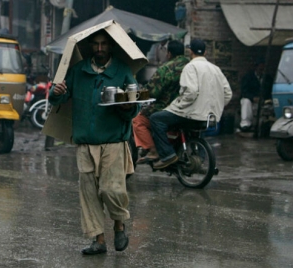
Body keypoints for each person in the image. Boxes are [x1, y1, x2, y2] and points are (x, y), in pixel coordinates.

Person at [49, 30, 139, 255]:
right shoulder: (78, 71)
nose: (100, 48)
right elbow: (59, 98)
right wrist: (55, 91)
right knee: (89, 194)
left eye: (104, 44)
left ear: (110, 46)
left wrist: (128, 107)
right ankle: (98, 240)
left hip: (113, 141)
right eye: (96, 44)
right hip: (85, 142)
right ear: (91, 47)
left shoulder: (122, 71)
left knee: (111, 189)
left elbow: (133, 105)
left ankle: (119, 225)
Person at [149, 39, 232, 169]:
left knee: (156, 119)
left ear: (190, 51)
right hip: (209, 116)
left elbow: (191, 92)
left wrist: (179, 105)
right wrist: (216, 106)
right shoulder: (216, 69)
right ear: (205, 52)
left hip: (189, 114)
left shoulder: (190, 67)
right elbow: (227, 93)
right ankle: (199, 160)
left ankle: (167, 155)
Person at [132, 40, 189, 164]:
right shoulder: (191, 65)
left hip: (166, 108)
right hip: (188, 108)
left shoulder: (166, 68)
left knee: (138, 120)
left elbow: (152, 91)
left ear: (169, 53)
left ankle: (153, 151)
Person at [239, 58, 265, 132]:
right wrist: (253, 98)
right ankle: (245, 124)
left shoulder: (267, 78)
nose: (261, 71)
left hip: (262, 101)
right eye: (260, 68)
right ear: (256, 68)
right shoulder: (248, 77)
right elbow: (244, 92)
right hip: (250, 100)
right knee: (246, 101)